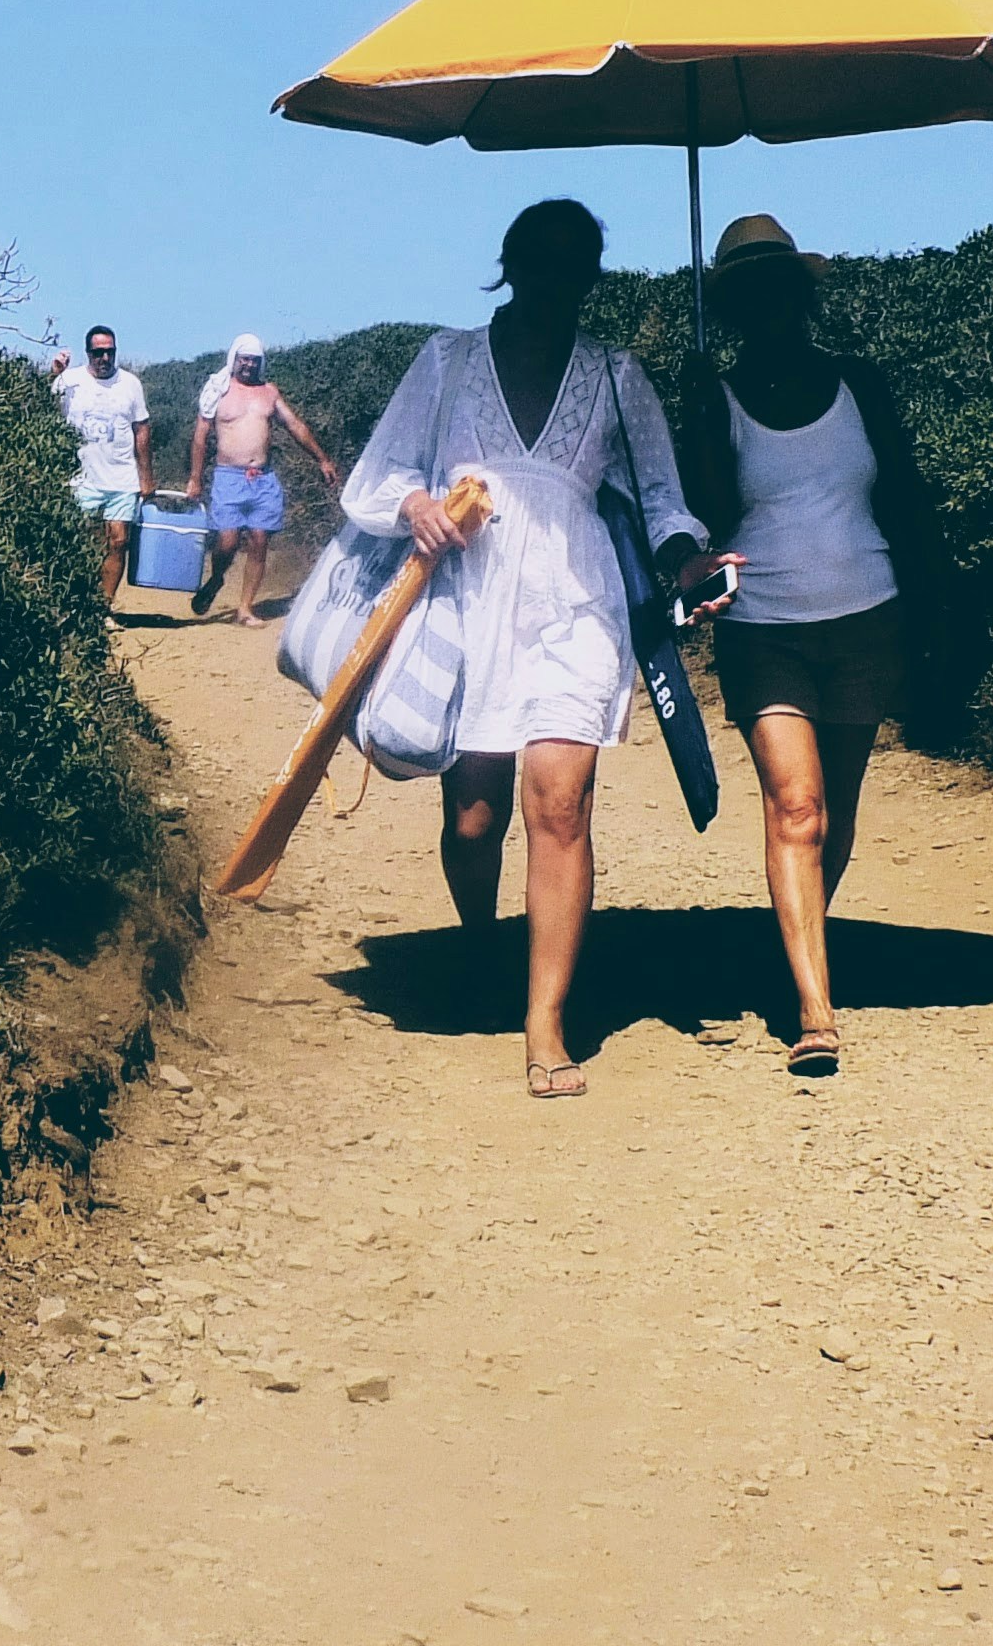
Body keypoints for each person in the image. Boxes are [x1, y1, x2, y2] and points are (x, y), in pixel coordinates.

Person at [343, 200, 733, 1099]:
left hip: (576, 608)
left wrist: (689, 561)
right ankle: (483, 947)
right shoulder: (445, 361)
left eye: (576, 265)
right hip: (466, 604)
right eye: (542, 261)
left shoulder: (617, 375)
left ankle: (544, 1019)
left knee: (560, 805)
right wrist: (417, 508)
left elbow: (663, 501)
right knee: (474, 816)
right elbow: (380, 475)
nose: (558, 280)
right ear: (510, 265)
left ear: (592, 276)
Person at [674, 213, 950, 1078]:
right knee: (798, 807)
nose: (770, 305)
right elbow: (709, 513)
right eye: (750, 294)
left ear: (800, 295)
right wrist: (696, 412)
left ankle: (799, 948)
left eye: (779, 288)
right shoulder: (712, 396)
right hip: (765, 627)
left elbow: (902, 494)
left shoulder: (861, 384)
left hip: (872, 618)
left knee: (838, 810)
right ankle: (814, 1010)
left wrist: (939, 605)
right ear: (734, 309)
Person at [180, 334, 336, 626]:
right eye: (244, 359)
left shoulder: (269, 393)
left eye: (254, 360)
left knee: (259, 540)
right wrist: (195, 479)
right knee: (226, 543)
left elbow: (294, 425)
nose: (249, 365)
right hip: (229, 477)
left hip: (263, 479)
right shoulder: (218, 391)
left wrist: (322, 458)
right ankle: (216, 579)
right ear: (235, 359)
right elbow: (200, 438)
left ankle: (245, 608)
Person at [51, 327, 153, 603]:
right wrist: (54, 374)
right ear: (88, 354)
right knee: (87, 542)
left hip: (122, 476)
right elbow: (44, 412)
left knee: (118, 542)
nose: (104, 357)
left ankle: (104, 606)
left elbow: (141, 429)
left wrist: (146, 477)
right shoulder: (69, 381)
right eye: (98, 352)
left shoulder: (130, 384)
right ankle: (79, 602)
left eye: (110, 352)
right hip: (82, 477)